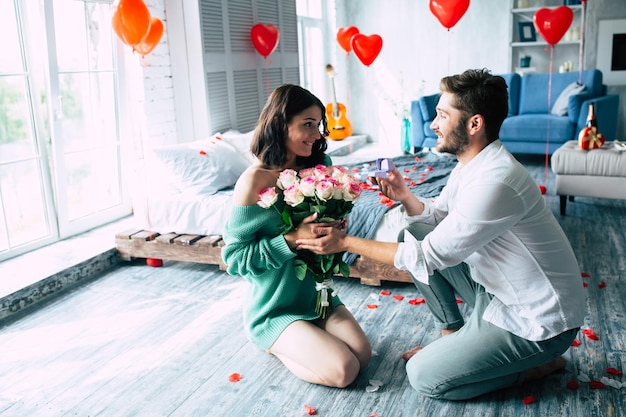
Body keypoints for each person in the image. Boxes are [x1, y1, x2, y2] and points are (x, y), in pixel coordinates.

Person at [295, 69, 585, 400]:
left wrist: (344, 242)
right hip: (497, 291)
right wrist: (404, 195)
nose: (433, 124)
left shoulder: (496, 181)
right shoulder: (472, 165)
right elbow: (435, 219)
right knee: (413, 232)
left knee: (425, 377)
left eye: (443, 115)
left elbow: (428, 257)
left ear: (474, 125)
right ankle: (454, 334)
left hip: (537, 321)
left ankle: (533, 366)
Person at [221, 83, 371, 388]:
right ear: (279, 123)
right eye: (307, 125)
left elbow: (329, 220)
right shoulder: (252, 182)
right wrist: (290, 239)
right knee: (344, 371)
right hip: (275, 307)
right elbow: (235, 259)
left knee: (362, 355)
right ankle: (273, 341)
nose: (317, 135)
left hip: (318, 296)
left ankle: (309, 340)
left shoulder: (319, 166)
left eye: (318, 125)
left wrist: (336, 224)